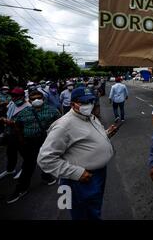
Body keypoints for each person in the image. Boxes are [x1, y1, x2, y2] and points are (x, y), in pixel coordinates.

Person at [38, 87, 117, 220]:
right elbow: (45, 159)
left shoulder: (89, 117)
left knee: (94, 208)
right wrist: (77, 173)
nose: (88, 105)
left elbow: (85, 138)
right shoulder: (64, 125)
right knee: (84, 213)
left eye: (91, 101)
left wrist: (106, 134)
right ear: (72, 104)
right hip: (82, 179)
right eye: (83, 102)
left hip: (98, 175)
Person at [6, 90, 60, 204]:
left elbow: (59, 124)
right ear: (29, 100)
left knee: (45, 159)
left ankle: (46, 177)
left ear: (43, 98)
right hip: (29, 141)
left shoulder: (52, 111)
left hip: (45, 140)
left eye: (39, 97)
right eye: (33, 98)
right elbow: (17, 126)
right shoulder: (24, 112)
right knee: (28, 164)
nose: (36, 100)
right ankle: (21, 189)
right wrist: (21, 139)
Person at [0, 87, 30, 180]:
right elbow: (8, 114)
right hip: (10, 132)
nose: (13, 98)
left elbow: (28, 122)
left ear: (22, 96)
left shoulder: (28, 106)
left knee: (24, 152)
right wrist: (5, 120)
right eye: (12, 96)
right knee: (10, 151)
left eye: (16, 96)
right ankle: (10, 169)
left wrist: (11, 122)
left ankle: (25, 169)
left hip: (21, 133)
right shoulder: (12, 104)